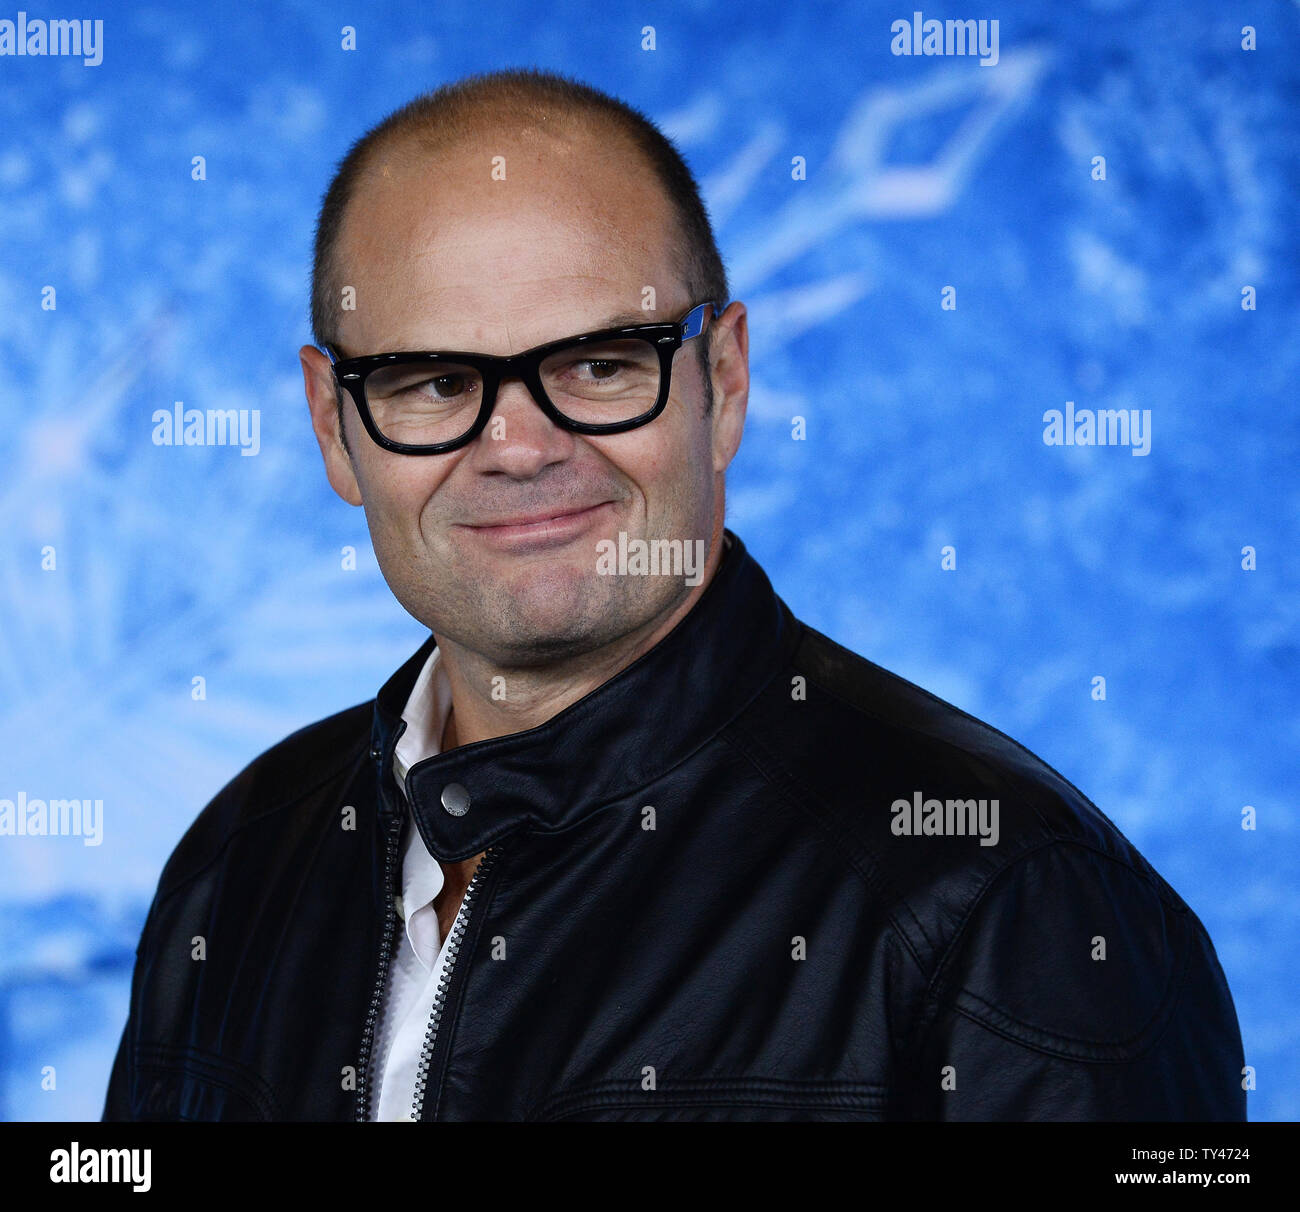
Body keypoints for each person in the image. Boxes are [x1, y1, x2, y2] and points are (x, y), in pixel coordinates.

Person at [103, 68, 1246, 1122]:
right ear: (333, 426)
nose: (517, 447)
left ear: (725, 381)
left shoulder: (1013, 905)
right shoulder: (238, 861)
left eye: (598, 366)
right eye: (435, 382)